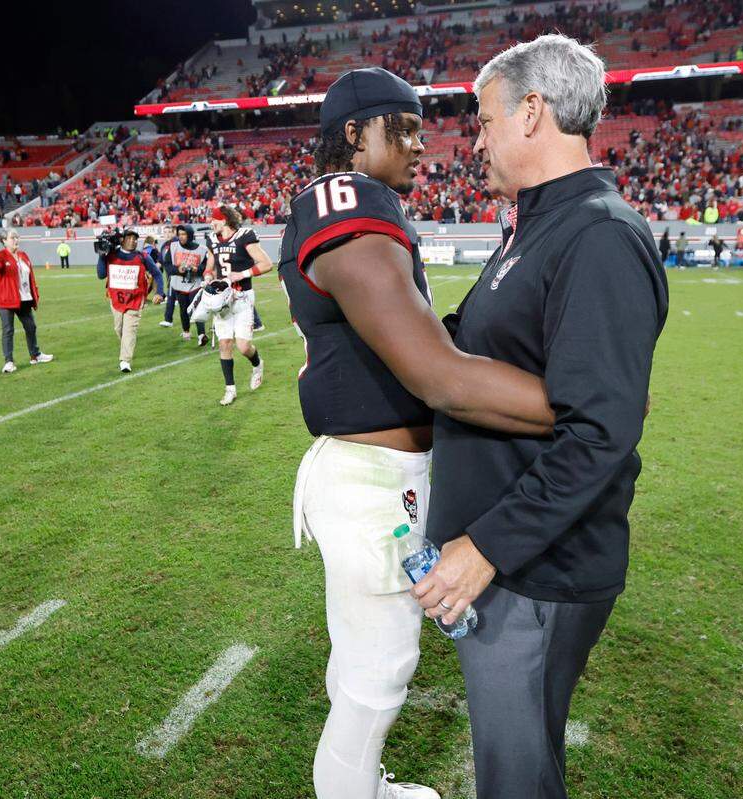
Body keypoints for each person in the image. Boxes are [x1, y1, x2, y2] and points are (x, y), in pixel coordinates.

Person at [280, 66, 555, 799]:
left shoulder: (352, 205)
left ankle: (362, 784)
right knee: (378, 673)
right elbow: (440, 377)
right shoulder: (349, 204)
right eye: (402, 127)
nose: (422, 144)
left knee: (363, 658)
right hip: (370, 482)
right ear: (352, 133)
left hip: (372, 473)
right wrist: (584, 406)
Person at [411, 35, 668, 799]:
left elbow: (600, 432)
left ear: (532, 113)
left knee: (517, 781)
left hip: (538, 570)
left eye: (484, 119)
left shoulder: (597, 234)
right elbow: (469, 351)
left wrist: (486, 546)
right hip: (517, 562)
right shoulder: (541, 222)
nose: (476, 138)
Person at [204, 206, 272, 405]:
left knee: (243, 347)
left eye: (214, 219)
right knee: (225, 343)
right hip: (222, 298)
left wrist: (242, 274)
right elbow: (210, 266)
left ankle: (257, 364)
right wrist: (207, 276)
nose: (211, 223)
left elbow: (266, 263)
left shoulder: (244, 236)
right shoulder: (212, 240)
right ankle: (230, 389)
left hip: (242, 296)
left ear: (224, 220)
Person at [0, 229, 54, 374]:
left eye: (17, 237)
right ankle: (9, 361)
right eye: (12, 237)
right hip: (6, 300)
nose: (16, 240)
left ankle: (35, 355)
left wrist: (34, 293)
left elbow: (30, 276)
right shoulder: (1, 255)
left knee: (31, 327)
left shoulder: (23, 255)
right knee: (8, 330)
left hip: (24, 298)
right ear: (4, 241)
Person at [96, 228, 165, 372]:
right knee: (119, 329)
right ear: (122, 239)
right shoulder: (112, 255)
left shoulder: (143, 256)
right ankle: (128, 345)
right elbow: (101, 275)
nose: (132, 241)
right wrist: (102, 256)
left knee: (129, 330)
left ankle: (125, 361)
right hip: (116, 299)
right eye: (129, 238)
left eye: (135, 238)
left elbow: (157, 274)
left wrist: (159, 292)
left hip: (135, 299)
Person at [162, 224, 208, 344]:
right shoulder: (173, 246)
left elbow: (205, 267)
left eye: (184, 234)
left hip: (195, 284)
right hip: (179, 284)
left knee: (196, 309)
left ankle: (201, 334)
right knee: (183, 309)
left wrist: (196, 269)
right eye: (180, 234)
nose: (181, 237)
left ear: (190, 235)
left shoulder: (202, 249)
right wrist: (178, 270)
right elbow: (166, 265)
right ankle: (186, 330)